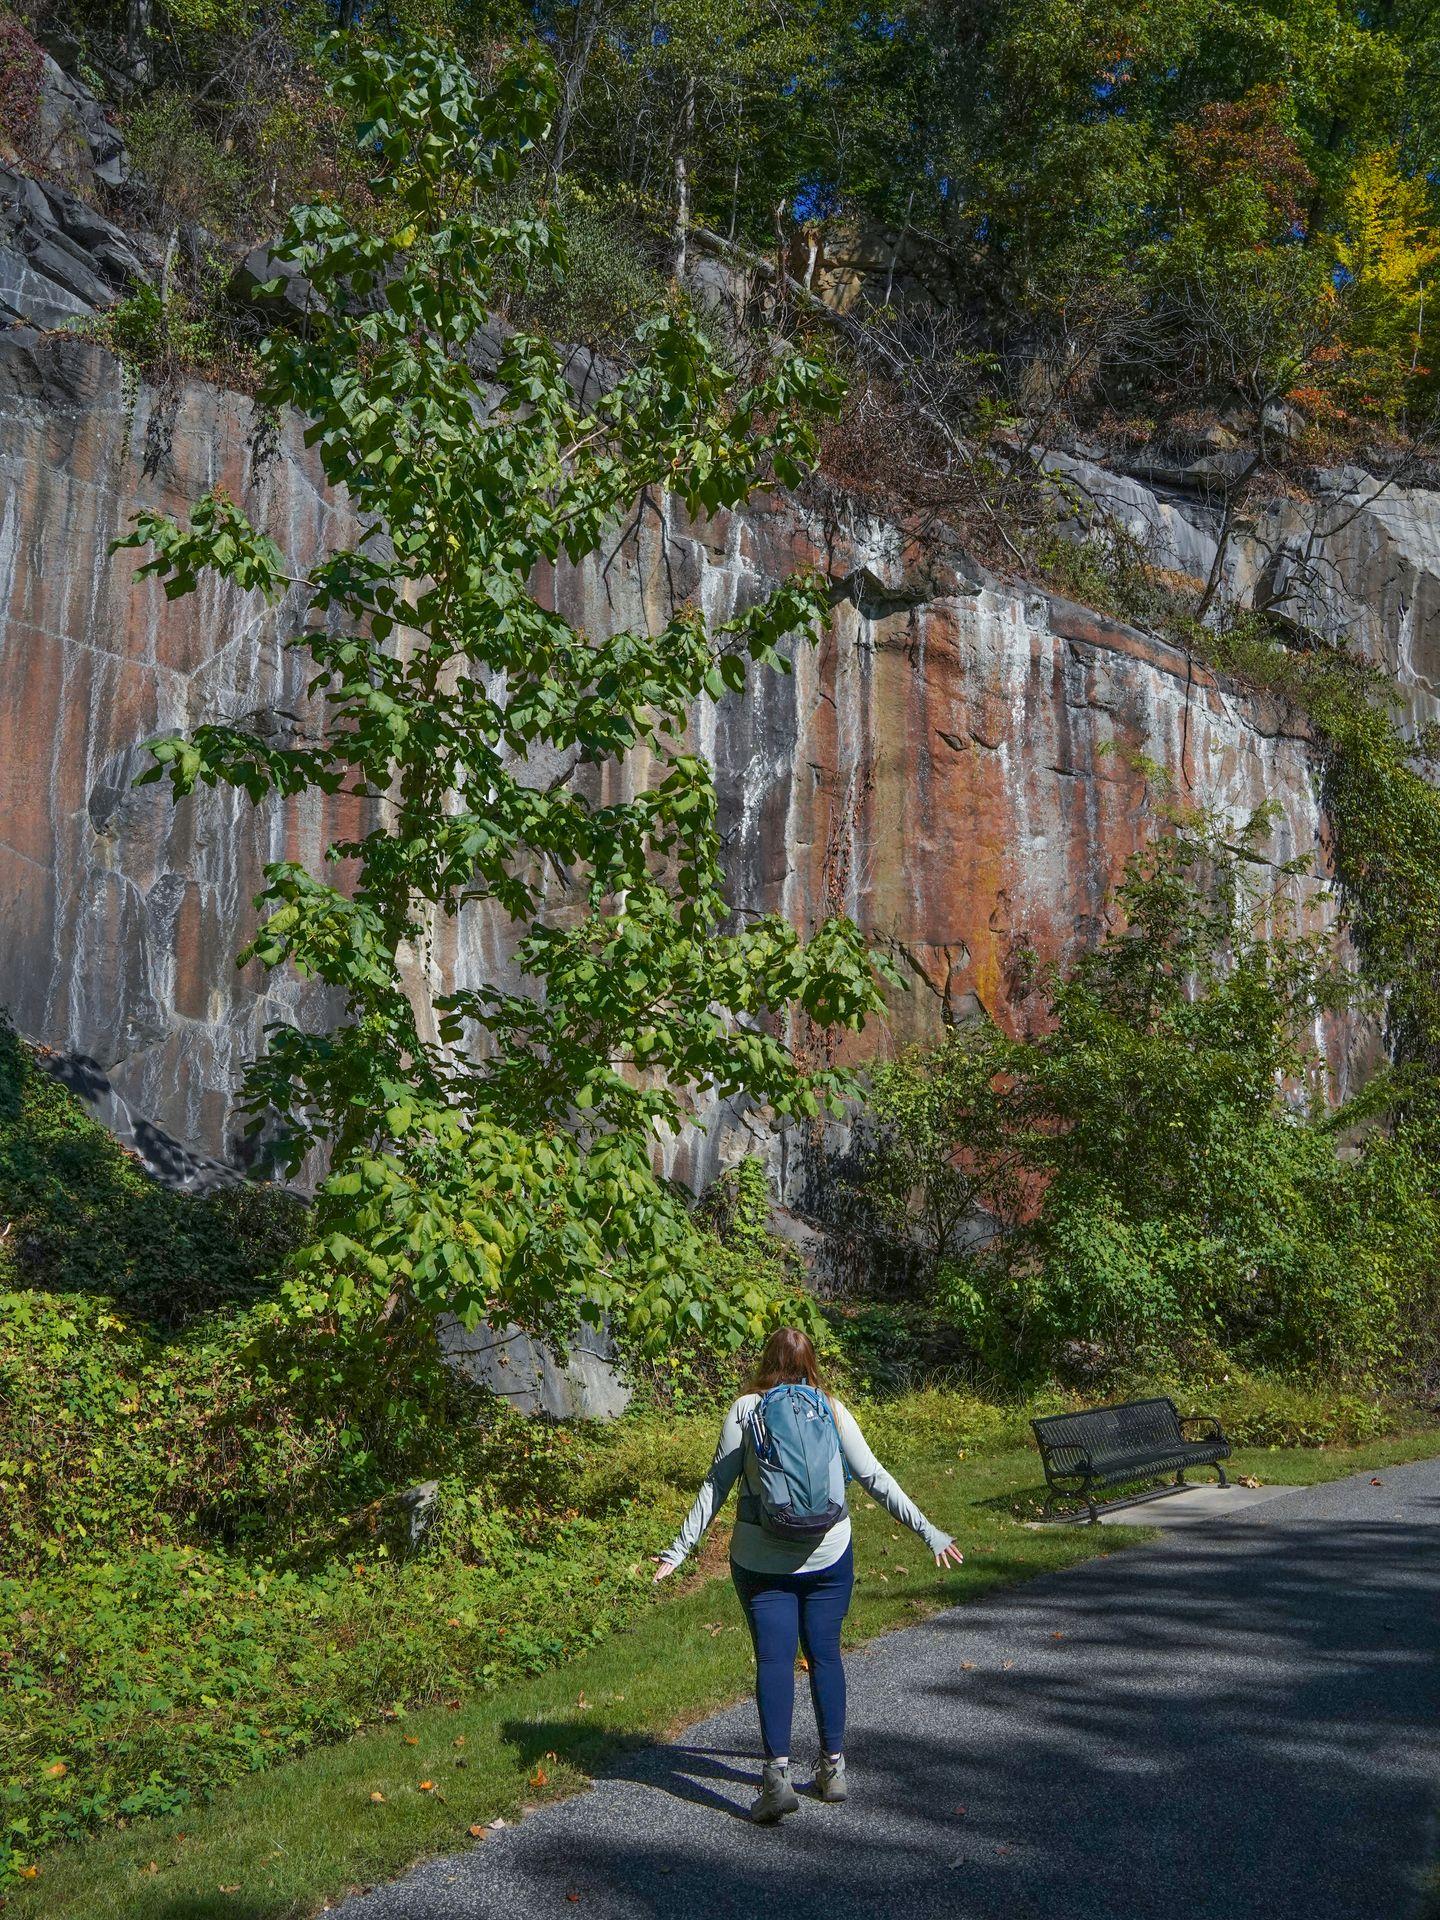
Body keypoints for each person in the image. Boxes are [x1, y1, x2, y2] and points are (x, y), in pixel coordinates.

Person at [652, 1325, 964, 1823]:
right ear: (811, 1362)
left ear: (766, 1361)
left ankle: (776, 1779)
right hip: (828, 1555)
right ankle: (833, 1770)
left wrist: (680, 1548)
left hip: (761, 1561)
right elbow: (874, 1477)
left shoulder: (745, 1410)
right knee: (825, 1655)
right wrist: (930, 1532)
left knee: (774, 1660)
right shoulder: (832, 1409)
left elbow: (717, 1484)